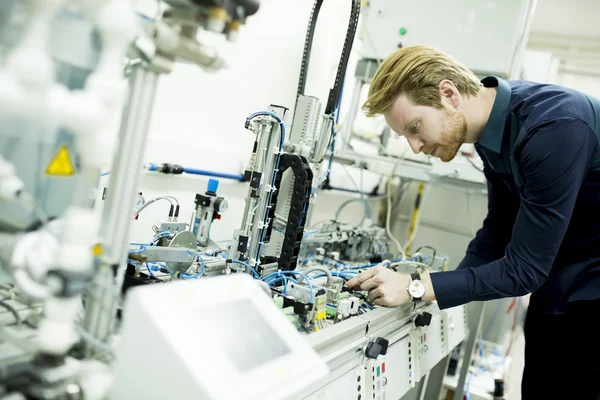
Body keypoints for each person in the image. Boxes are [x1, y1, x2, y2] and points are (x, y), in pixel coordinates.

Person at [346, 45, 600, 400]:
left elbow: (524, 270)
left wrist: (419, 287)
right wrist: (434, 292)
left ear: (448, 94)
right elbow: (499, 227)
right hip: (562, 282)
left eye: (414, 128)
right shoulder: (488, 134)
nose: (415, 147)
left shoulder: (553, 128)